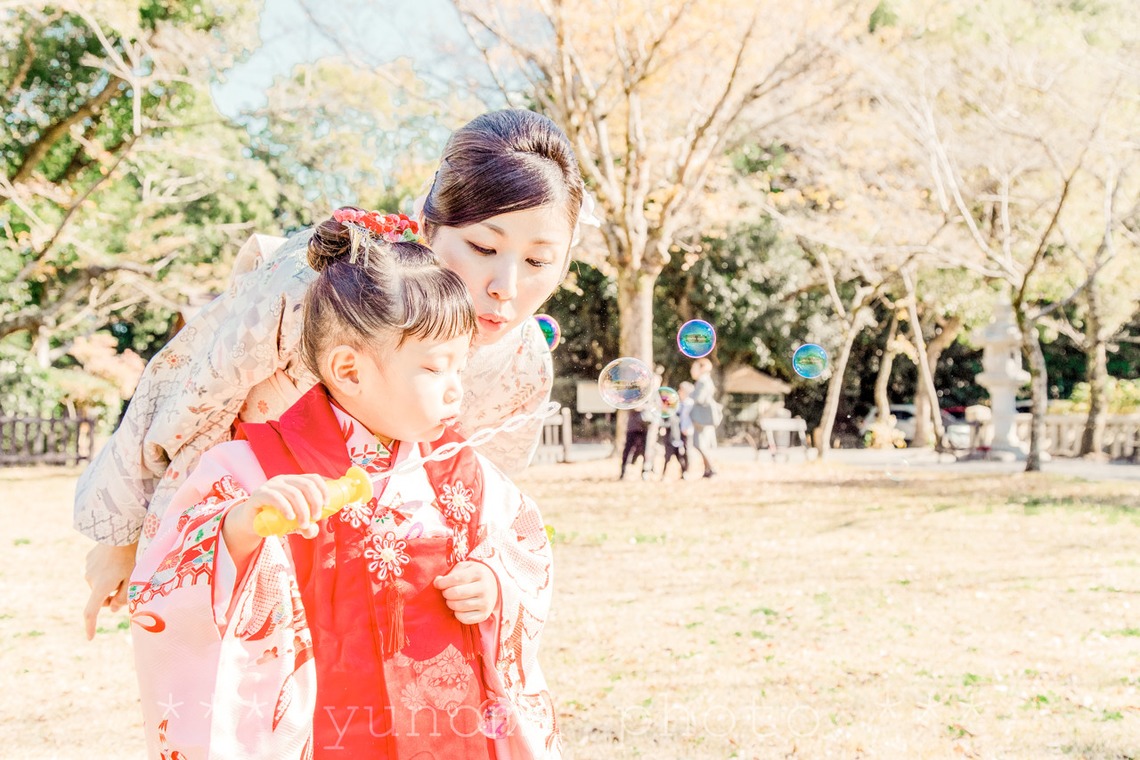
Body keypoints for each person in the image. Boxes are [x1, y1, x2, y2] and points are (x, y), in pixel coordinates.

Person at [76, 109, 586, 639]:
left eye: (538, 262)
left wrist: (486, 570)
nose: (506, 286)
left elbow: (486, 498)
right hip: (256, 530)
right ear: (428, 223)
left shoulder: (523, 362)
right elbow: (191, 395)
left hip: (387, 588)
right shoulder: (323, 282)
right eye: (484, 248)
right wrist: (125, 534)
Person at [128, 213, 559, 758]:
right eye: (435, 369)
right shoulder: (253, 468)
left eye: (460, 368)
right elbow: (169, 579)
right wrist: (239, 527)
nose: (456, 391)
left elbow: (524, 548)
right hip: (325, 726)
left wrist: (494, 584)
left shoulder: (460, 470)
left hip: (450, 723)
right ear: (349, 371)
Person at [689, 358, 721, 478]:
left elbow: (699, 398)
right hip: (704, 417)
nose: (691, 370)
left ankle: (712, 468)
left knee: (700, 444)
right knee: (702, 444)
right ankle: (708, 470)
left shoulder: (702, 380)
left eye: (694, 367)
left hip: (701, 418)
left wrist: (689, 395)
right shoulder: (706, 380)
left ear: (702, 368)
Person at [618, 403, 651, 480]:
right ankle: (623, 472)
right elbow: (627, 406)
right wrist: (637, 407)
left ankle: (644, 472)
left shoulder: (648, 397)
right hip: (632, 427)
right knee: (627, 450)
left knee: (645, 451)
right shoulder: (632, 396)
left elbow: (653, 406)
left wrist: (643, 407)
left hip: (644, 427)